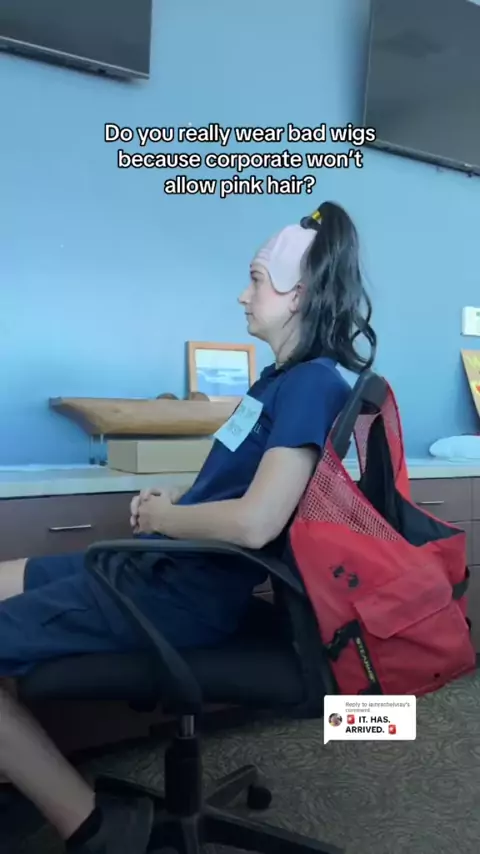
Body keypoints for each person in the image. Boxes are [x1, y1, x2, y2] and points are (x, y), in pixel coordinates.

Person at [0, 201, 376, 852]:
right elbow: (239, 490)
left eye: (256, 279)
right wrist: (179, 498)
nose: (242, 294)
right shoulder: (276, 383)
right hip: (157, 568)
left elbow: (257, 523)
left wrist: (167, 517)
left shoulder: (311, 385)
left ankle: (91, 826)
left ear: (298, 294)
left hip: (176, 595)